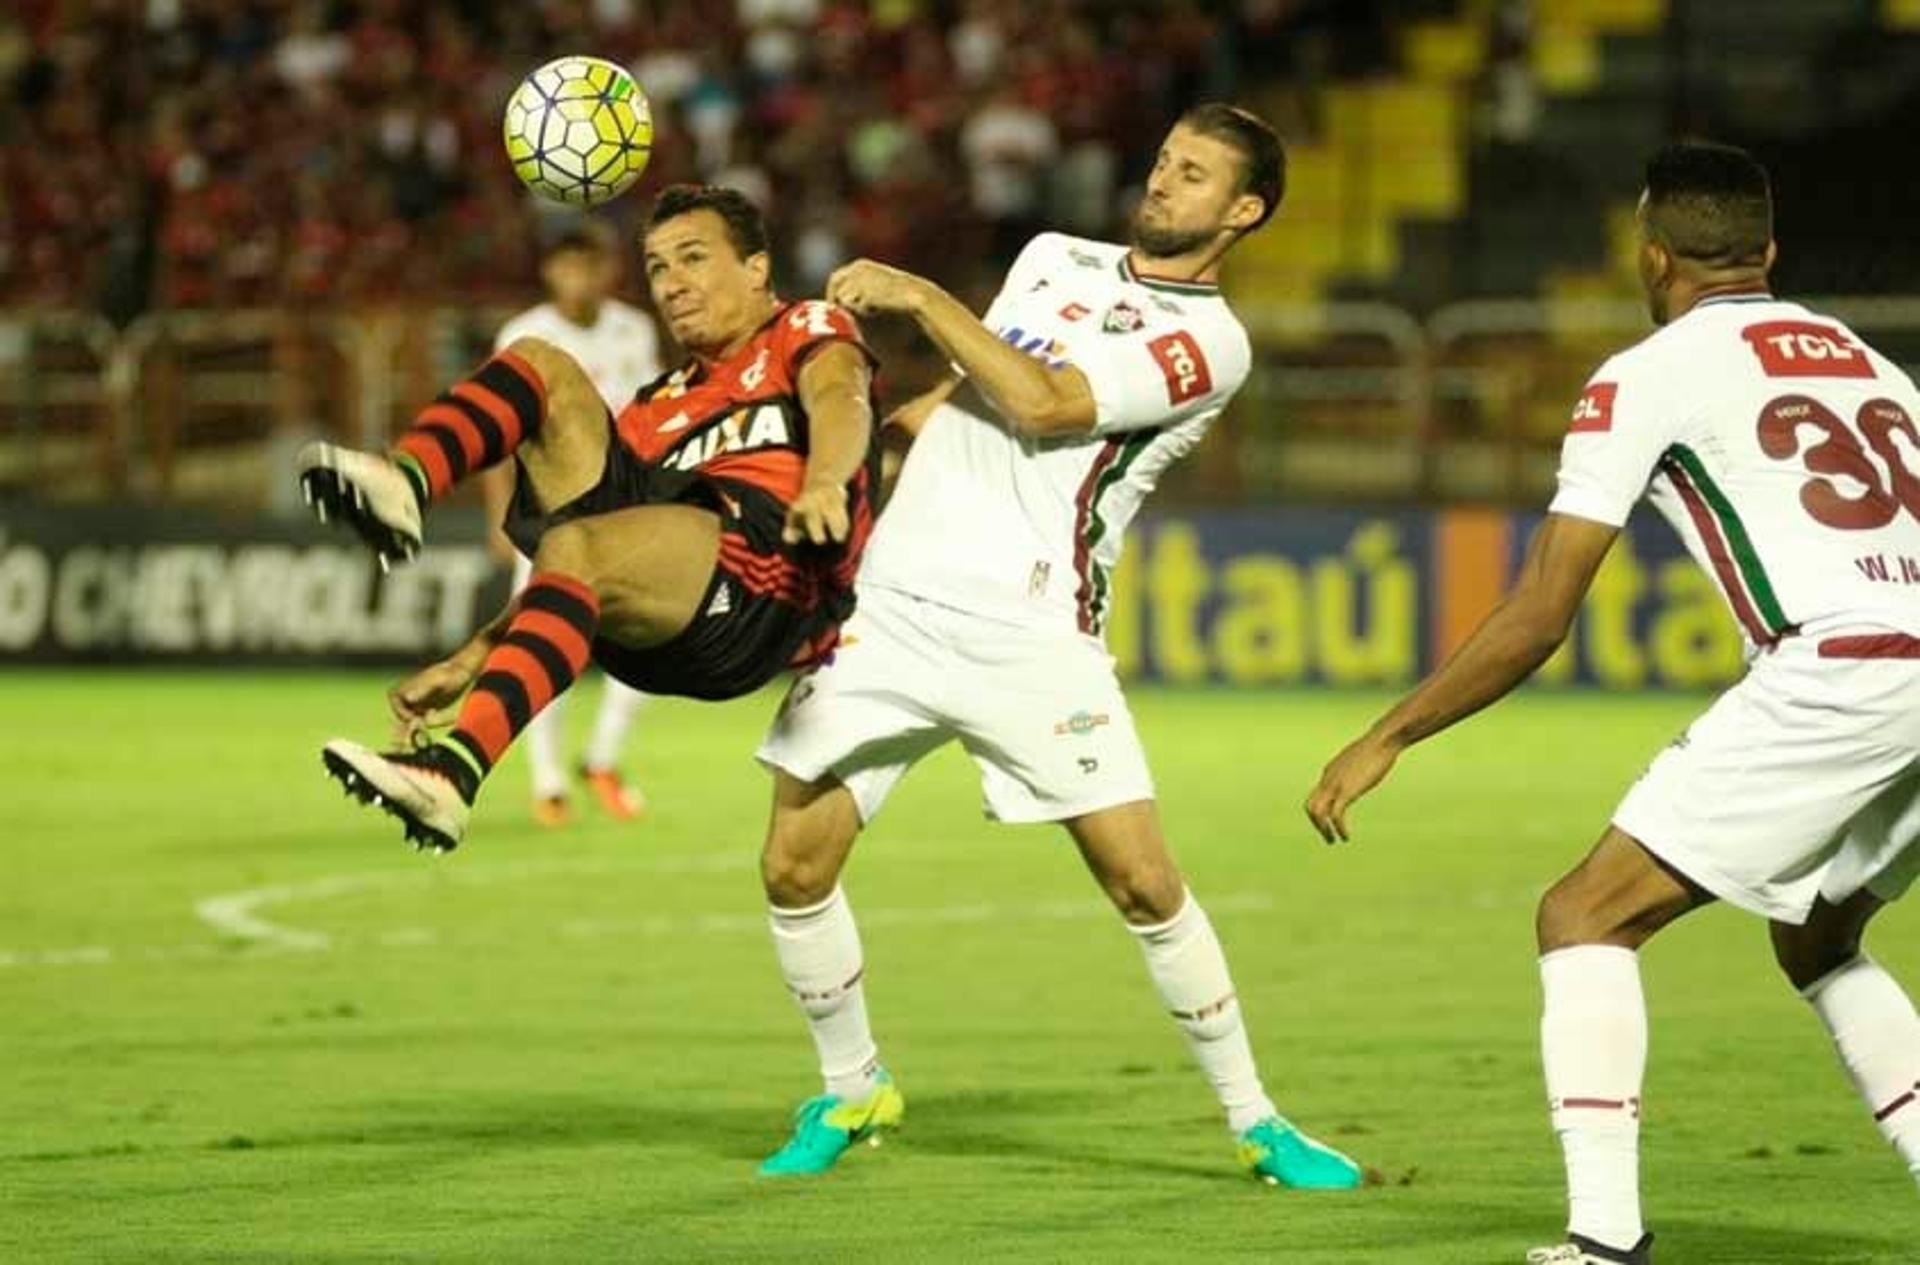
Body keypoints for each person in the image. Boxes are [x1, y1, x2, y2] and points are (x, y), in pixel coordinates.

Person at [1305, 142, 1920, 1265]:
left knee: (1583, 913)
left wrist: (1386, 731)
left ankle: (1604, 1239)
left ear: (1650, 254)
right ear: (1768, 251)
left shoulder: (1647, 373)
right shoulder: (1873, 366)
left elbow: (1543, 612)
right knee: (1819, 933)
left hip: (1845, 668)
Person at [749, 104, 1365, 1190]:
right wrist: (866, 452)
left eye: (1195, 174)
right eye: (1166, 159)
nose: (1164, 181)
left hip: (1031, 631)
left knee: (1141, 882)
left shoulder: (1213, 344)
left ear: (1244, 211)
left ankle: (1258, 1120)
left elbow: (1041, 403)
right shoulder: (1051, 257)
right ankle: (851, 1088)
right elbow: (967, 393)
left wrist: (922, 295)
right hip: (891, 608)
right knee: (793, 862)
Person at [299, 184, 879, 852]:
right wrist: (471, 658)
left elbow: (841, 396)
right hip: (667, 614)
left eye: (692, 257)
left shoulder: (803, 328)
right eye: (659, 267)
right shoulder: (657, 406)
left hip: (768, 588)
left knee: (579, 542)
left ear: (756, 268)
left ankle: (497, 765)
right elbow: (599, 561)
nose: (672, 284)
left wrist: (827, 482)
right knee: (539, 363)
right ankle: (408, 483)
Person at [479, 221, 662, 827]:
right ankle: (549, 781)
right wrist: (496, 515)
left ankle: (603, 758)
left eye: (588, 265)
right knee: (545, 647)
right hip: (548, 515)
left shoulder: (632, 330)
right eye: (566, 265)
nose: (577, 277)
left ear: (606, 270)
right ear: (549, 272)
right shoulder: (524, 335)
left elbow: (652, 421)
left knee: (654, 639)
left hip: (621, 510)